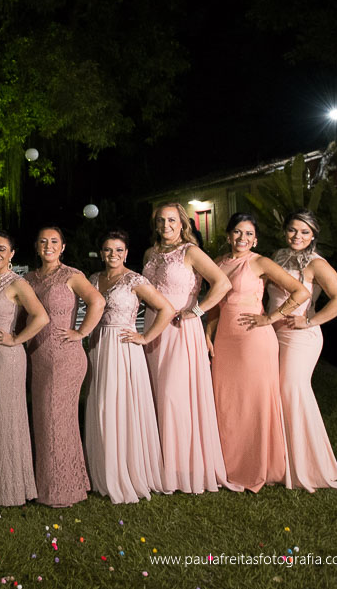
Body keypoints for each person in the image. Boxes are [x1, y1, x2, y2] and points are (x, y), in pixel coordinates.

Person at [207, 212, 309, 492]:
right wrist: (208, 334)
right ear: (228, 235)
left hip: (254, 340)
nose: (243, 238)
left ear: (255, 239)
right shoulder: (217, 263)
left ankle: (258, 465)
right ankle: (227, 465)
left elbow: (300, 292)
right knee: (227, 403)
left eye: (249, 234)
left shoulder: (260, 262)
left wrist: (271, 317)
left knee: (253, 403)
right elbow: (215, 304)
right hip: (225, 340)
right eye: (238, 232)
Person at [141, 202, 238, 494]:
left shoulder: (191, 252)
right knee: (155, 392)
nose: (166, 226)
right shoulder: (149, 254)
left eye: (172, 220)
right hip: (152, 327)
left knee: (175, 395)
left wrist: (197, 311)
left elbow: (222, 283)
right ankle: (158, 463)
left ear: (183, 223)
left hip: (180, 330)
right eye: (161, 220)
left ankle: (182, 467)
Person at [85, 231, 174, 504]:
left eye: (118, 250)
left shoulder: (135, 280)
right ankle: (103, 470)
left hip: (124, 348)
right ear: (102, 253)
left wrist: (145, 337)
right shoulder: (93, 279)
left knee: (120, 406)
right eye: (108, 249)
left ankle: (128, 471)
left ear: (126, 253)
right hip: (98, 345)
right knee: (101, 405)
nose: (113, 254)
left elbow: (166, 309)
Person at [266, 209, 337, 492]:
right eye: (292, 229)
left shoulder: (316, 264)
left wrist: (310, 321)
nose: (297, 236)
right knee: (276, 393)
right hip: (273, 333)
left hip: (300, 337)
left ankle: (309, 467)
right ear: (285, 231)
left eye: (304, 232)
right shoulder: (278, 256)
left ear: (313, 235)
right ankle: (281, 462)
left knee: (292, 389)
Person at [24, 226, 105, 507]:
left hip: (64, 356)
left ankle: (60, 490)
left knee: (57, 420)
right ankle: (58, 481)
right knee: (44, 420)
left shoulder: (72, 275)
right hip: (37, 356)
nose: (48, 246)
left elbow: (97, 301)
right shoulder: (29, 279)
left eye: (54, 241)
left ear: (63, 247)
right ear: (37, 247)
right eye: (43, 241)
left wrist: (81, 332)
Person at [0, 231, 48, 507]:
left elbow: (41, 317)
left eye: (2, 249)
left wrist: (16, 339)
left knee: (7, 418)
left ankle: (11, 487)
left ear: (12, 254)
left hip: (6, 356)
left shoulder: (17, 282)